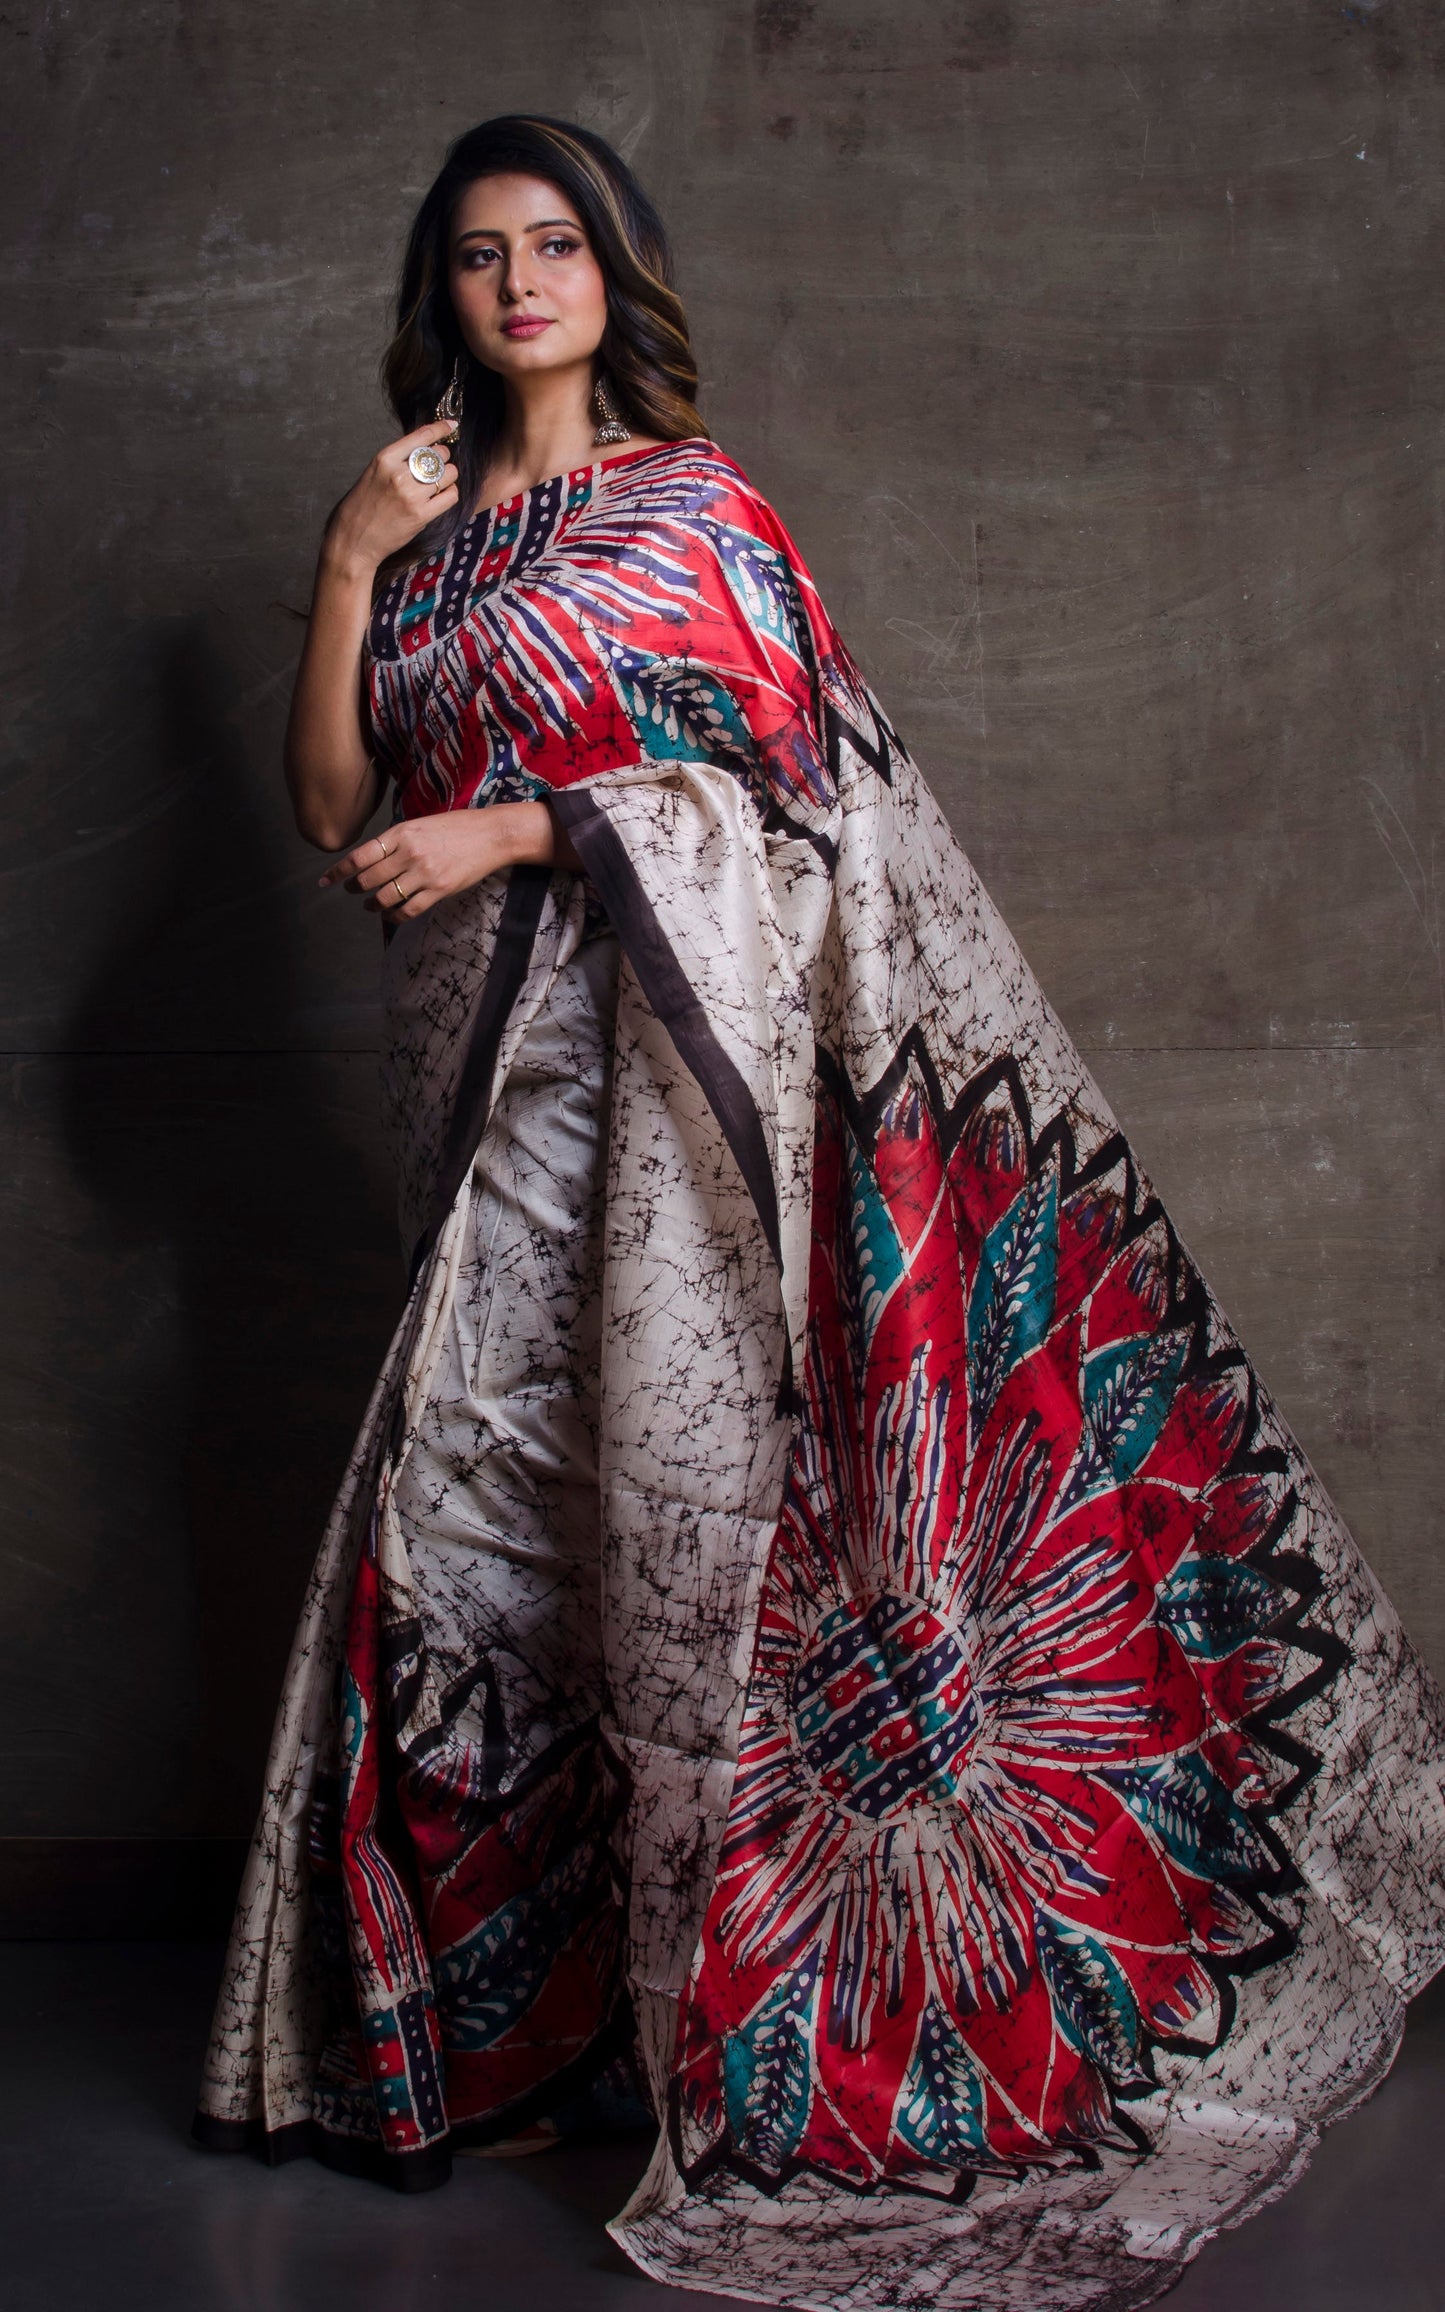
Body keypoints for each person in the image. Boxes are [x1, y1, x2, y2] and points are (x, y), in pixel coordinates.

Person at [194, 114, 1445, 2312]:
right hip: (476, 1102)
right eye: (478, 254)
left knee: (678, 1530)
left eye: (555, 244)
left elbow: (794, 803)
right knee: (475, 1529)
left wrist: (523, 834)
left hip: (673, 1102)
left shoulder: (702, 515)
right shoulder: (414, 533)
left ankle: (708, 2025)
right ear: (439, 295)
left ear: (613, 272)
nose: (519, 284)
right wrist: (345, 559)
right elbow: (327, 802)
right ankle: (501, 2032)